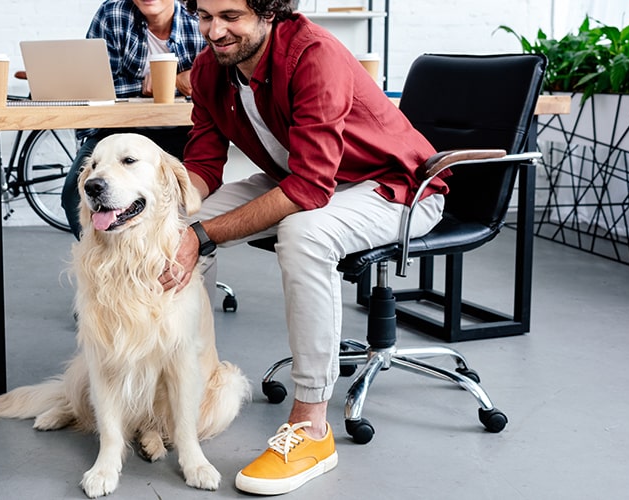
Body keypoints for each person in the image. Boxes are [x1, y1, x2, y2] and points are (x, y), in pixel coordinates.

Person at [162, 0, 450, 495]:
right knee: (173, 223)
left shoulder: (314, 55)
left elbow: (309, 192)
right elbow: (205, 168)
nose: (214, 30)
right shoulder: (211, 68)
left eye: (231, 15)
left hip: (399, 188)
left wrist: (203, 236)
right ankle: (181, 386)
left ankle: (312, 428)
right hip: (312, 181)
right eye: (205, 16)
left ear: (269, 11)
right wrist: (164, 209)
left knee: (303, 233)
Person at [60, 0, 205, 238]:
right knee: (72, 196)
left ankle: (172, 263)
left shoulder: (200, 20)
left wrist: (174, 82)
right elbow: (95, 86)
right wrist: (152, 84)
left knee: (188, 197)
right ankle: (104, 263)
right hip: (115, 131)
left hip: (182, 132)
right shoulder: (112, 14)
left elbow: (213, 84)